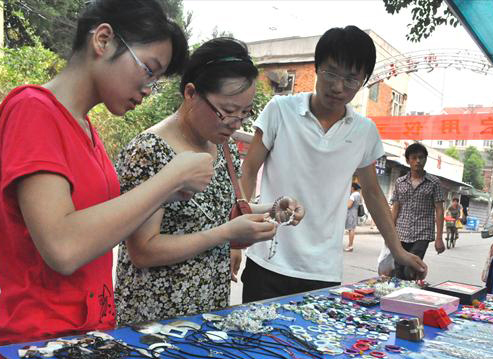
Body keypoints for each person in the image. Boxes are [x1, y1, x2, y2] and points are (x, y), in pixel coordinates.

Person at [0, 0, 216, 345]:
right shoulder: (32, 110)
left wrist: (170, 191)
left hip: (88, 333)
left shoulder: (86, 130)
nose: (148, 89)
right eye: (149, 70)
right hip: (39, 339)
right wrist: (169, 179)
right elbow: (62, 247)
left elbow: (101, 226)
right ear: (103, 40)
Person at [113, 38, 305, 325]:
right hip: (156, 318)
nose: (236, 123)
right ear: (191, 93)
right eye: (227, 111)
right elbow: (142, 250)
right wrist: (225, 234)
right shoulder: (150, 150)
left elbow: (218, 214)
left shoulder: (221, 146)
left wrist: (273, 209)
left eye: (245, 112)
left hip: (208, 310)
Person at [239, 25, 427, 303]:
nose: (338, 87)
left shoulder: (364, 131)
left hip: (322, 271)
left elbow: (373, 193)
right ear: (316, 68)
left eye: (351, 80)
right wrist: (239, 230)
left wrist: (397, 250)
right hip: (267, 261)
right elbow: (249, 169)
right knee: (256, 345)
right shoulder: (280, 110)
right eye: (331, 73)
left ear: (363, 81)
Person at [391, 142, 445, 280]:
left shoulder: (434, 183)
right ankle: (397, 298)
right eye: (414, 158)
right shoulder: (399, 182)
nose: (418, 161)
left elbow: (439, 210)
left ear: (426, 159)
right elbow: (396, 208)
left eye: (421, 157)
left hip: (422, 233)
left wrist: (439, 238)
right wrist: (389, 234)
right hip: (401, 232)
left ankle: (408, 297)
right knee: (398, 269)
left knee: (411, 269)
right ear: (408, 160)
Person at [344, 182, 362, 252]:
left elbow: (349, 205)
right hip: (355, 213)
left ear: (352, 188)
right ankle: (350, 245)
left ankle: (350, 246)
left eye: (350, 187)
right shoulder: (358, 194)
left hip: (351, 213)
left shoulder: (353, 195)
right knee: (352, 229)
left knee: (351, 229)